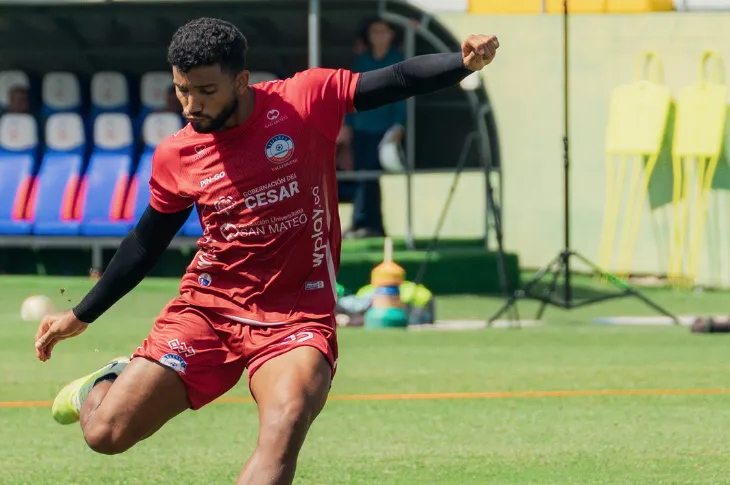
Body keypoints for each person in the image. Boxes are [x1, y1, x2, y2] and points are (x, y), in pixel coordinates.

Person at [34, 17, 498, 485]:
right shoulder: (177, 155)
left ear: (240, 80)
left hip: (297, 317)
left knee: (285, 424)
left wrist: (461, 63)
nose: (191, 105)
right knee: (106, 434)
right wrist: (82, 314)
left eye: (205, 91)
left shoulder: (304, 100)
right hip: (208, 309)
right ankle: (105, 381)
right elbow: (145, 242)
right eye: (181, 90)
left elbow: (395, 80)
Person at [343, 18, 407, 239]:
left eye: (383, 31)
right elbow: (350, 94)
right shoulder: (362, 61)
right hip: (361, 128)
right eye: (374, 31)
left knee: (368, 177)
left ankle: (368, 224)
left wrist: (399, 125)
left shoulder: (398, 60)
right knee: (361, 175)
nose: (378, 35)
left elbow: (403, 97)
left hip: (384, 131)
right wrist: (347, 125)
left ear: (391, 34)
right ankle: (365, 224)